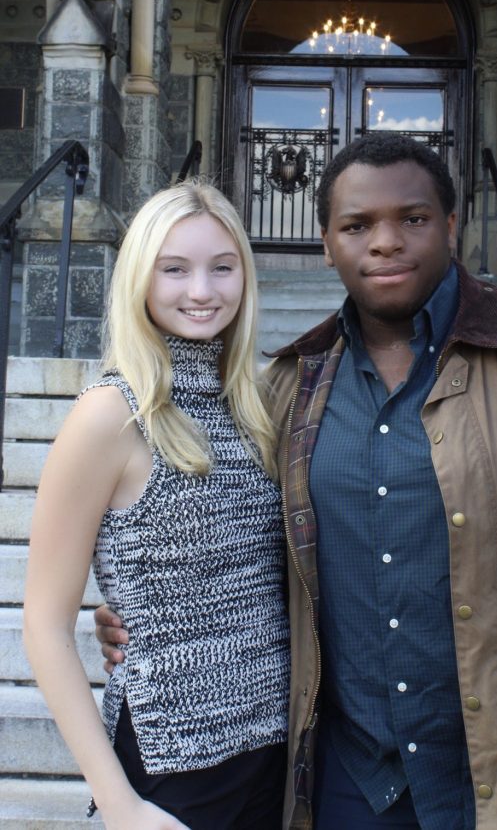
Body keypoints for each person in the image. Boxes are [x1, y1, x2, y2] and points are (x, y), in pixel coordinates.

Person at [96, 134, 497, 830]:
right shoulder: (286, 390)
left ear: (451, 226)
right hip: (351, 788)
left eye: (412, 219)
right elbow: (240, 545)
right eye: (357, 226)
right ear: (326, 243)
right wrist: (149, 611)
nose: (385, 242)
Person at [24, 181, 290, 830]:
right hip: (175, 763)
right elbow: (43, 626)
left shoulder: (257, 406)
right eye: (175, 269)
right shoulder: (110, 416)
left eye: (222, 268)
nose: (202, 290)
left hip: (276, 752)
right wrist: (119, 805)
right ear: (140, 277)